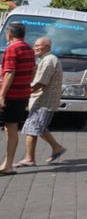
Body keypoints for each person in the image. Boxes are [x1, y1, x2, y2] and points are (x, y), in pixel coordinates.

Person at [15, 37, 67, 167]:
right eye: (35, 45)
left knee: (32, 129)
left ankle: (29, 159)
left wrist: (23, 92)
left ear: (48, 47)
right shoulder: (44, 59)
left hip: (44, 102)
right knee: (38, 128)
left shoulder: (49, 60)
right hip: (42, 101)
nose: (35, 47)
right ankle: (57, 148)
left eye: (39, 45)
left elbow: (40, 83)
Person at [0, 22, 35, 175]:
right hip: (22, 95)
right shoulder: (29, 49)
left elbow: (9, 72)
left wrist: (1, 95)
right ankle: (8, 165)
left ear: (10, 34)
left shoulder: (12, 49)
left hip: (9, 95)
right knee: (11, 128)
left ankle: (6, 165)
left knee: (10, 128)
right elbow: (33, 69)